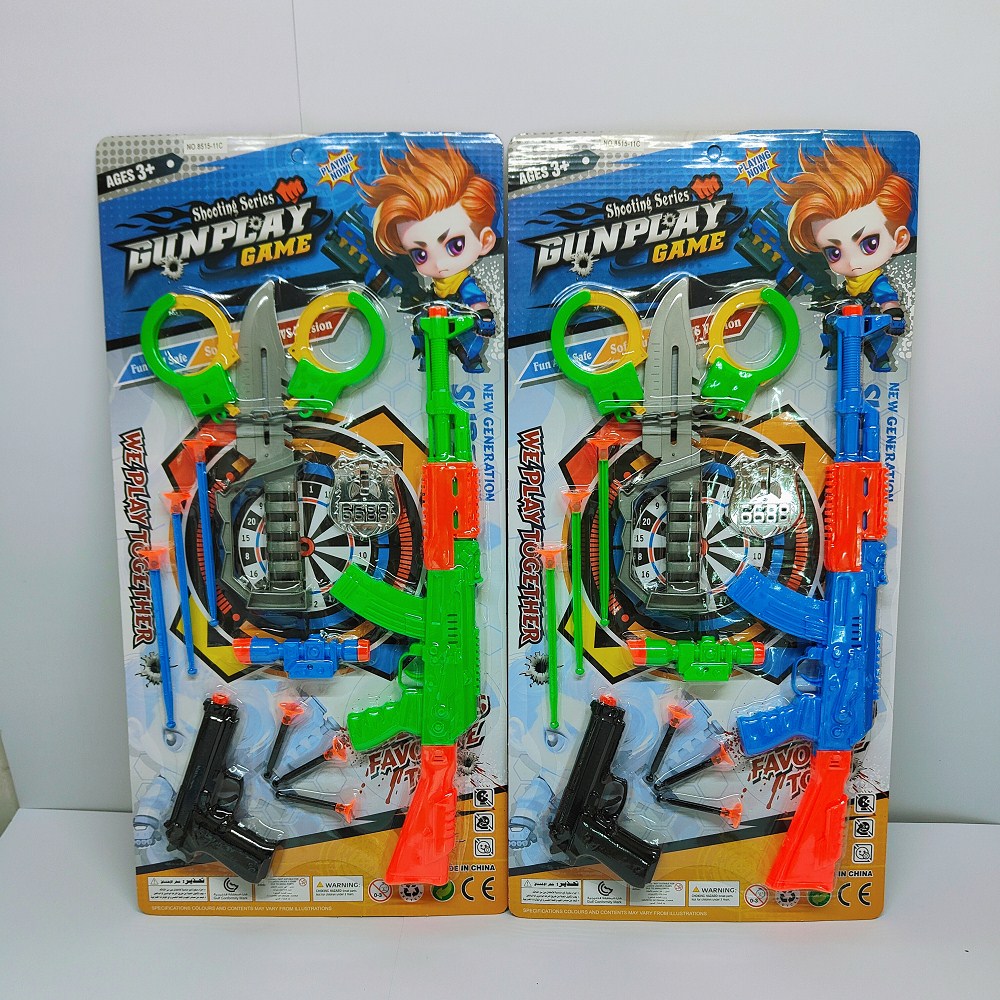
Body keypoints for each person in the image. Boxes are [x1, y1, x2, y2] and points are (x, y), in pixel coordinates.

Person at [361, 140, 498, 372]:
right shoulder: (431, 285)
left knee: (467, 345)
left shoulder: (464, 284)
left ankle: (470, 360)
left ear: (485, 241)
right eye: (420, 254)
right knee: (420, 329)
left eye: (455, 245)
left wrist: (483, 316)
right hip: (437, 326)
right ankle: (428, 356)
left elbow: (477, 301)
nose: (439, 264)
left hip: (460, 326)